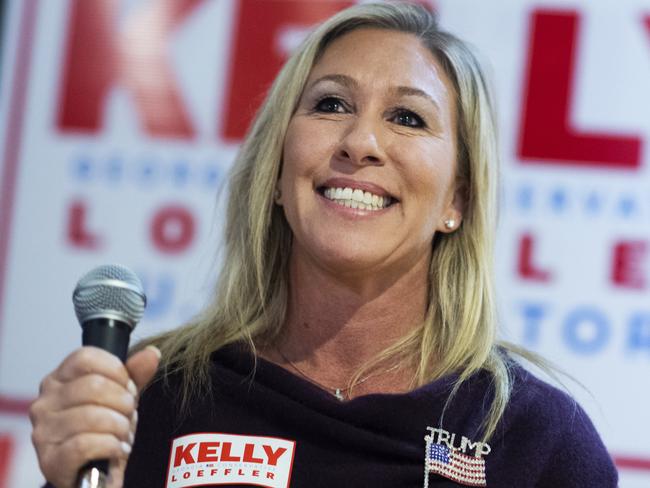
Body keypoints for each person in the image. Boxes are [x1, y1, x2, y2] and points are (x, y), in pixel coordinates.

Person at [30, 3, 618, 487]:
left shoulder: (538, 439)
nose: (360, 141)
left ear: (456, 201)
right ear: (279, 174)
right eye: (331, 105)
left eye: (408, 118)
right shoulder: (155, 397)